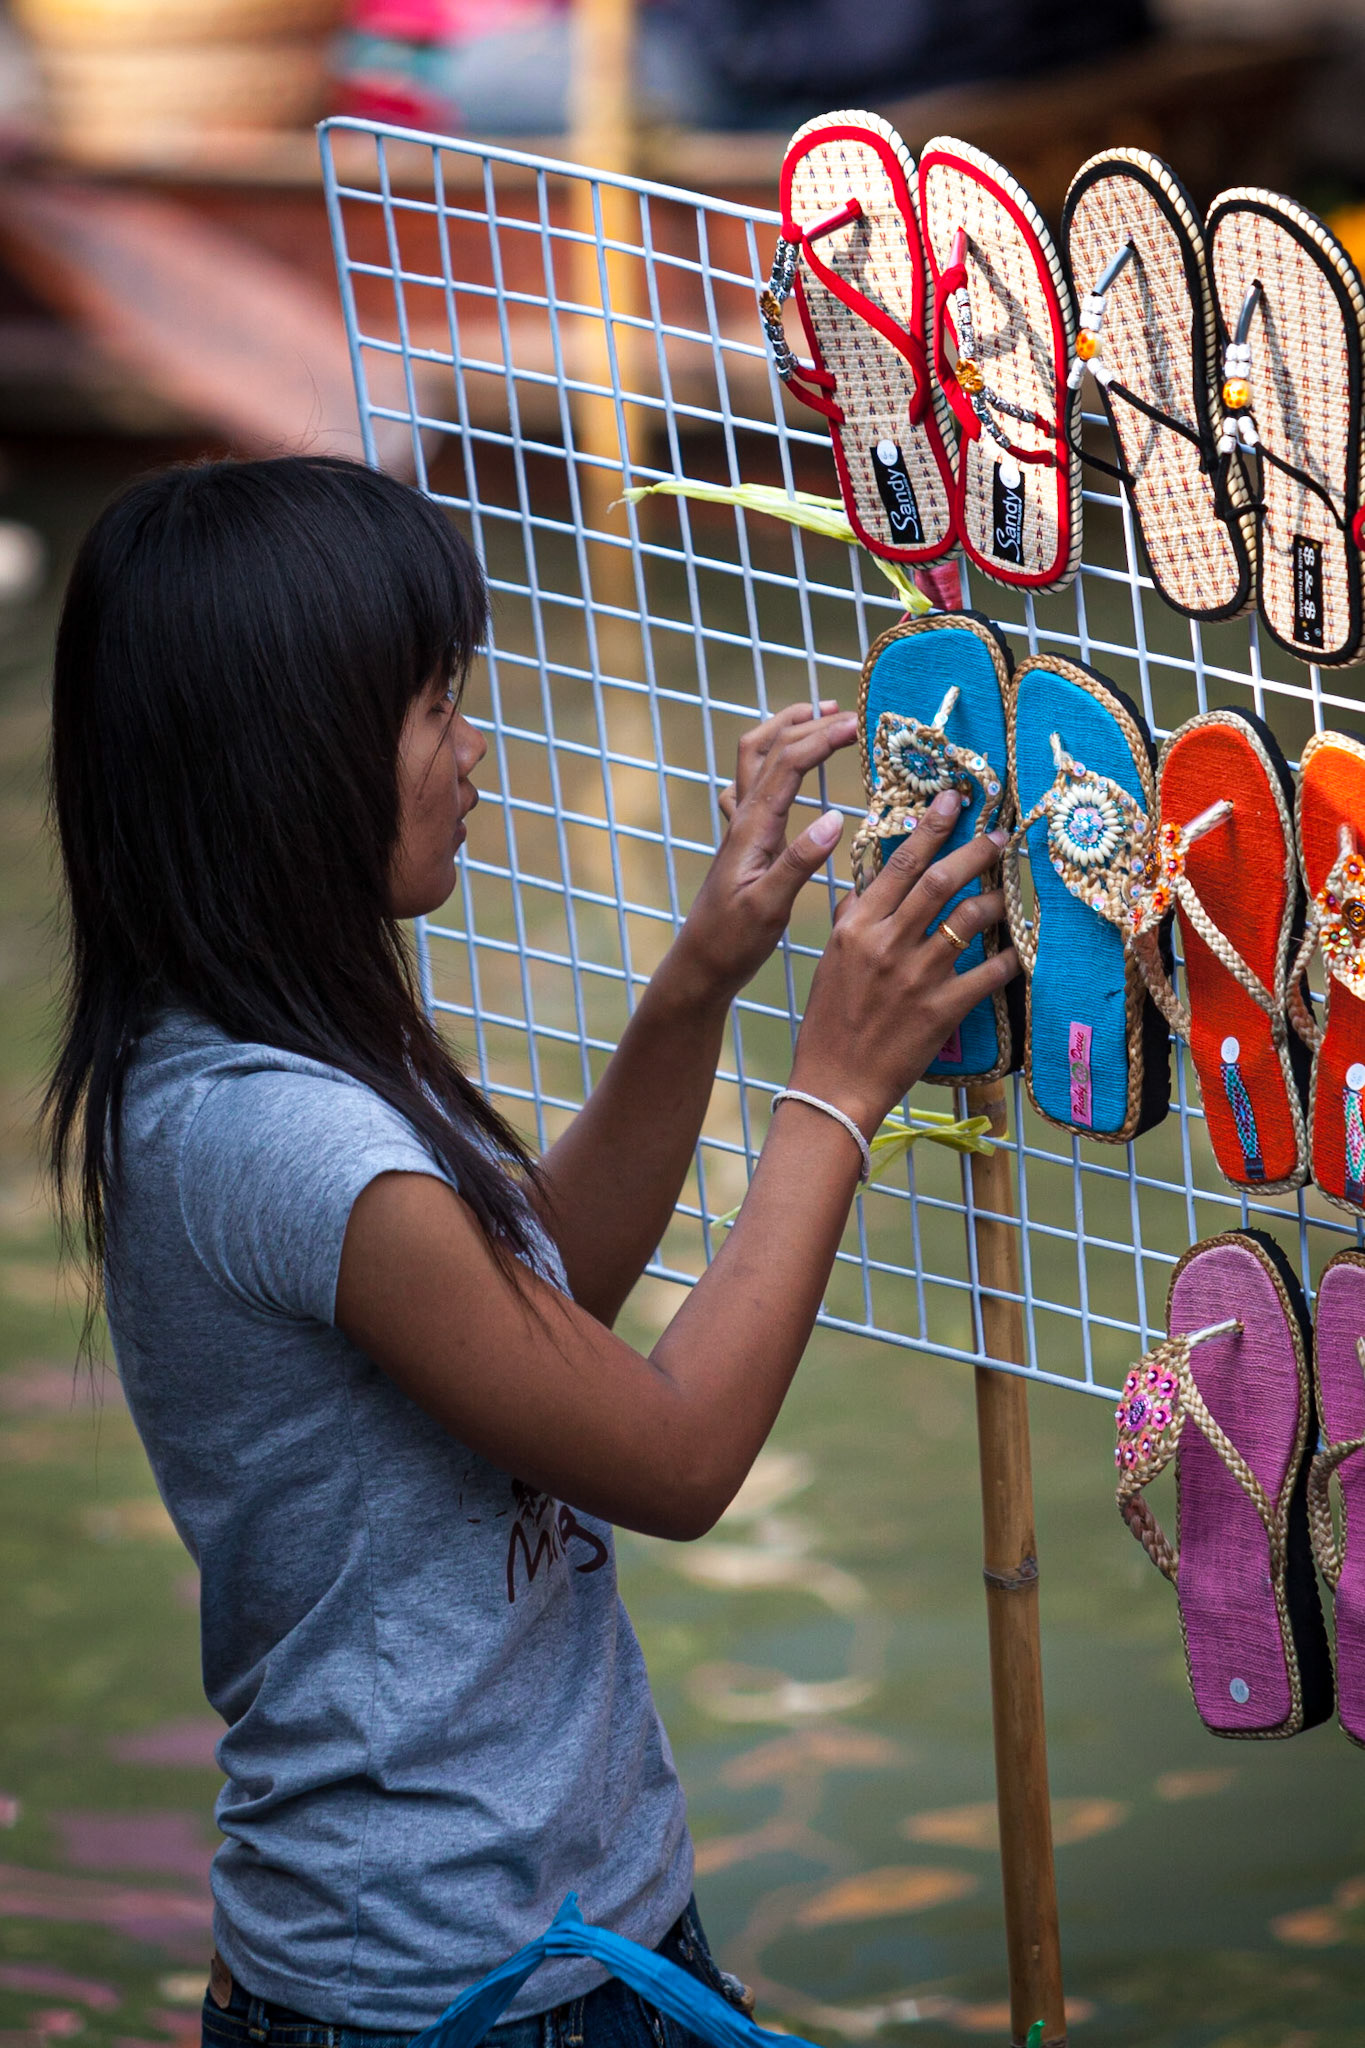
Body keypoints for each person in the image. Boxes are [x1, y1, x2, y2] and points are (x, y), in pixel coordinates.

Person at [44, 455, 1017, 2048]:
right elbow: (679, 1456)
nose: (476, 752)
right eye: (436, 709)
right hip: (449, 1990)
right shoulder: (274, 1133)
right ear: (292, 763)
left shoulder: (254, 1055)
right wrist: (834, 1089)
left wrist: (703, 975)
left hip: (559, 1932)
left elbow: (528, 1303)